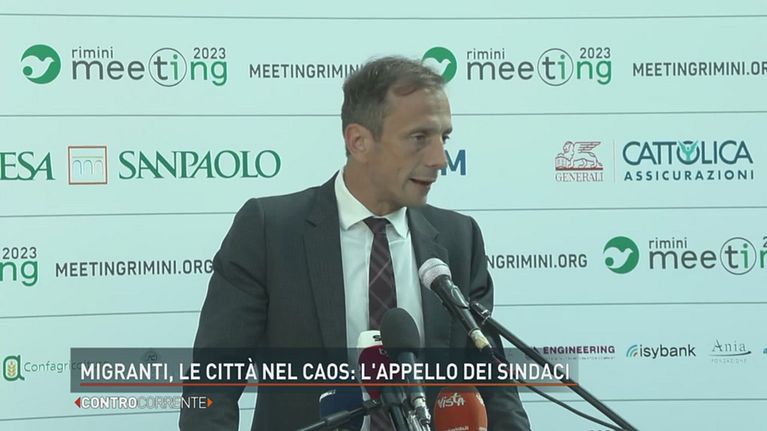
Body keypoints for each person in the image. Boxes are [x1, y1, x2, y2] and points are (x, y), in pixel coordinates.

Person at [180, 56, 531, 430]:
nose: (439, 158)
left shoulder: (459, 238)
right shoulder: (269, 231)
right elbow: (211, 384)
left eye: (443, 138)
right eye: (419, 138)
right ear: (359, 141)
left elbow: (494, 386)